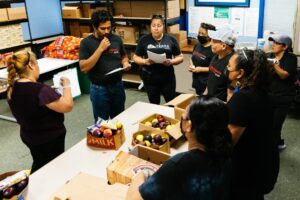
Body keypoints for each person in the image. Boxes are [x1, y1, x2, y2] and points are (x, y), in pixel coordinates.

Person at [126, 96, 233, 200]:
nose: (181, 118)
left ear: (188, 125)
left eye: (183, 116)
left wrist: (142, 174)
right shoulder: (225, 154)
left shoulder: (178, 165)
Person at [6, 51, 74, 173]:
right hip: (49, 139)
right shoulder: (41, 90)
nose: (38, 67)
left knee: (40, 162)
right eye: (37, 63)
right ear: (31, 65)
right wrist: (67, 86)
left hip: (30, 137)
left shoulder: (12, 88)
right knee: (52, 167)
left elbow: (29, 104)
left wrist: (49, 94)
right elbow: (67, 106)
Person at [226, 49, 279, 200]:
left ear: (240, 73)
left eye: (229, 67)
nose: (227, 69)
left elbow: (227, 143)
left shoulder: (243, 99)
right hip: (263, 163)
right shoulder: (261, 92)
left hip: (247, 171)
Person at [79, 10, 131, 121]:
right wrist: (100, 49)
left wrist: (125, 62)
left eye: (109, 27)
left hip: (118, 86)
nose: (107, 31)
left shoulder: (116, 39)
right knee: (101, 123)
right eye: (103, 28)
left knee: (119, 120)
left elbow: (123, 56)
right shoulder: (86, 43)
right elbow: (84, 68)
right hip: (99, 89)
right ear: (94, 26)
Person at [133, 14, 184, 104]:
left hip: (168, 78)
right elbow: (135, 57)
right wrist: (145, 61)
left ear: (163, 27)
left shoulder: (171, 39)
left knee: (171, 103)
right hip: (150, 79)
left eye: (159, 25)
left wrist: (171, 61)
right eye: (153, 26)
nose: (156, 28)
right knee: (154, 103)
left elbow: (180, 57)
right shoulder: (144, 40)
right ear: (150, 27)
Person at [267, 35, 297, 150]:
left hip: (283, 97)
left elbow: (284, 75)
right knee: (267, 122)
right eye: (272, 42)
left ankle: (273, 149)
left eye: (276, 43)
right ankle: (278, 142)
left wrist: (273, 64)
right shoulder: (269, 56)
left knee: (276, 124)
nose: (273, 45)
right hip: (269, 95)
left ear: (285, 47)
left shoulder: (291, 58)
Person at [204, 27, 235, 102]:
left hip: (220, 105)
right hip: (209, 101)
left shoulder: (232, 63)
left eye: (214, 41)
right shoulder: (216, 56)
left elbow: (230, 93)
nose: (211, 43)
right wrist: (204, 97)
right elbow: (210, 80)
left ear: (224, 46)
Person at [188, 22, 216, 95]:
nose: (199, 35)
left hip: (207, 85)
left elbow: (215, 68)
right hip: (197, 82)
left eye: (202, 34)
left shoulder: (213, 50)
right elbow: (192, 58)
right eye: (199, 33)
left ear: (209, 36)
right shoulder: (197, 45)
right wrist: (191, 65)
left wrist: (200, 69)